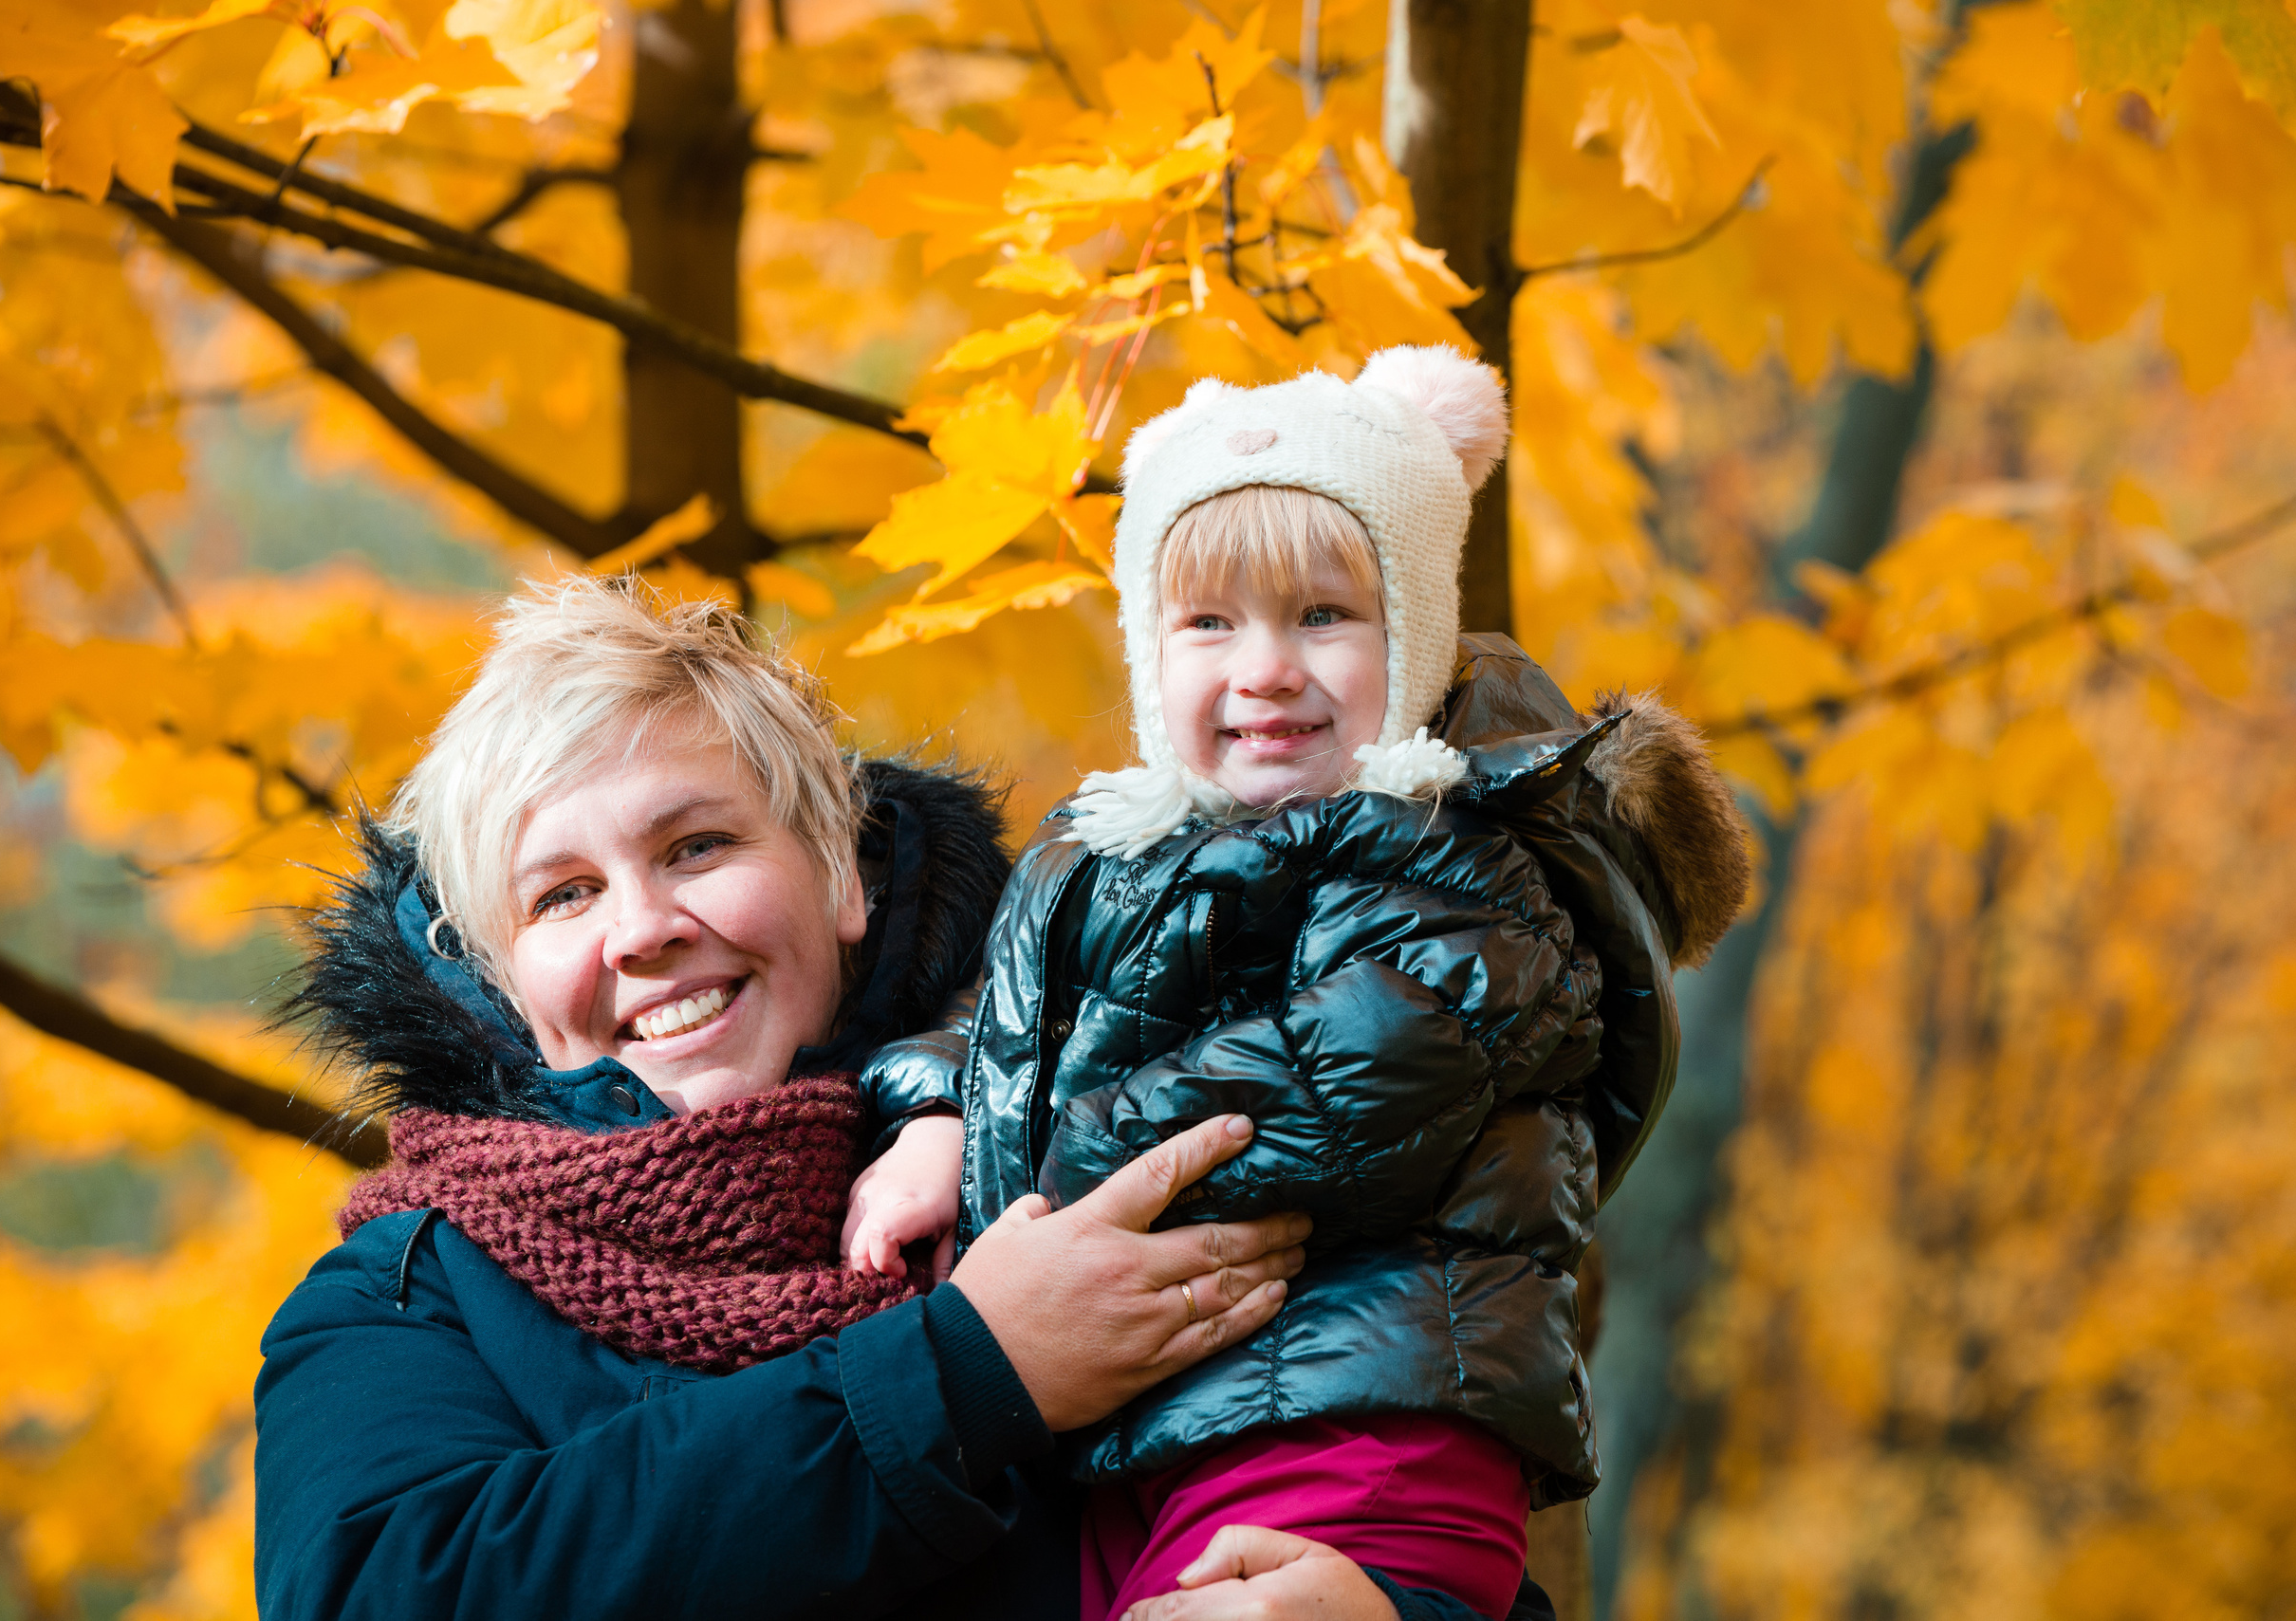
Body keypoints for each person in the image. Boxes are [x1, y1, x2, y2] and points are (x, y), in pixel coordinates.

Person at [252, 578, 1555, 1620]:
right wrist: (970, 1371)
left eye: (696, 844)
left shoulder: (1078, 1141)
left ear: (840, 875)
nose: (643, 927)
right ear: (503, 977)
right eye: (563, 894)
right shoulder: (409, 1294)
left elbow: (1371, 1435)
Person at [851, 348, 1755, 1618]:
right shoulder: (1127, 844)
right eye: (1210, 623)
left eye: (1323, 616)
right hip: (1187, 1417)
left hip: (1362, 1425)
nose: (1266, 667)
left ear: (1416, 630)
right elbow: (1018, 1005)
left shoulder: (1458, 856)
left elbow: (1344, 1079)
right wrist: (936, 1110)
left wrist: (1034, 1175)